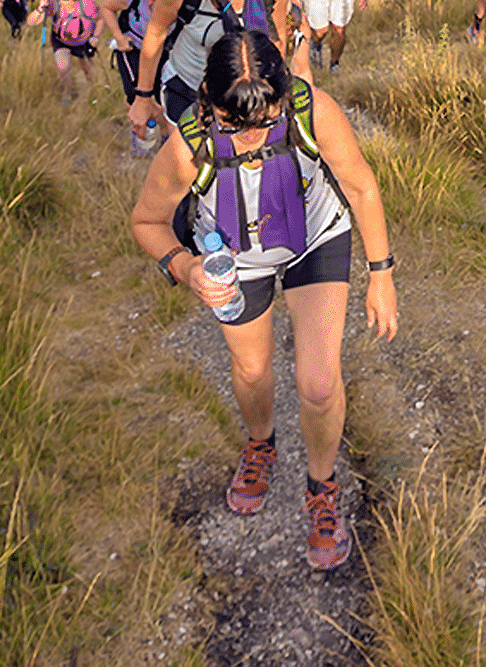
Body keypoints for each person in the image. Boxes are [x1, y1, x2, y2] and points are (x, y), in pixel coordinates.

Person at [130, 30, 397, 571]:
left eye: (264, 120)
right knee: (252, 371)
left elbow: (362, 186)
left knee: (318, 384)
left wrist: (381, 274)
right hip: (235, 258)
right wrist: (186, 267)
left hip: (314, 239)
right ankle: (261, 445)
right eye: (234, 124)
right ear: (208, 97)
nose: (251, 138)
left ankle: (321, 488)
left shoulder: (311, 110)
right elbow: (146, 221)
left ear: (283, 93)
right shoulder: (186, 147)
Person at [127, 0, 292, 136]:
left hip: (243, 97)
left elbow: (276, 41)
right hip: (187, 89)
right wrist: (143, 97)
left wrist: (273, 94)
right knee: (188, 160)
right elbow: (155, 34)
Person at [102, 0, 179, 146]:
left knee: (166, 98)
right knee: (134, 98)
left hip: (163, 49)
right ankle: (141, 137)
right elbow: (106, 7)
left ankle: (164, 136)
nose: (159, 3)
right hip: (133, 47)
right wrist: (119, 37)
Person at [40, 0, 104, 101]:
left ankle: (97, 92)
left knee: (87, 67)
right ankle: (67, 95)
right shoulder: (54, 1)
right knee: (63, 68)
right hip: (61, 39)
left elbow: (100, 20)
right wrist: (42, 8)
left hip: (83, 38)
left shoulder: (86, 3)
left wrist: (95, 37)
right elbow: (42, 18)